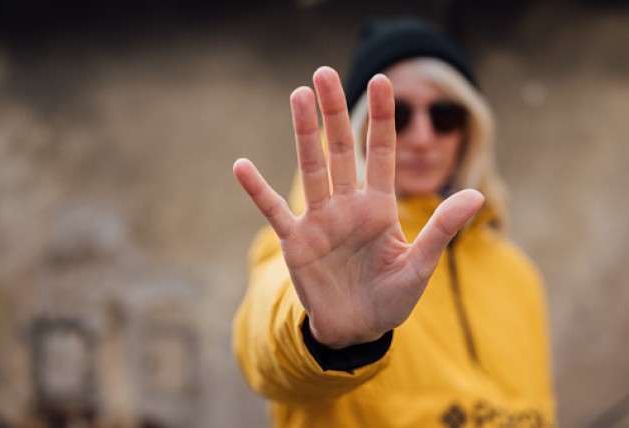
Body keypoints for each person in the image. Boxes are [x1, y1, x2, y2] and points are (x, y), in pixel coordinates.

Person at [232, 18, 555, 428]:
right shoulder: (308, 253)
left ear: (470, 129)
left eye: (445, 115)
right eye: (398, 114)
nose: (422, 137)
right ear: (359, 128)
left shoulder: (518, 275)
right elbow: (263, 346)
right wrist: (322, 335)